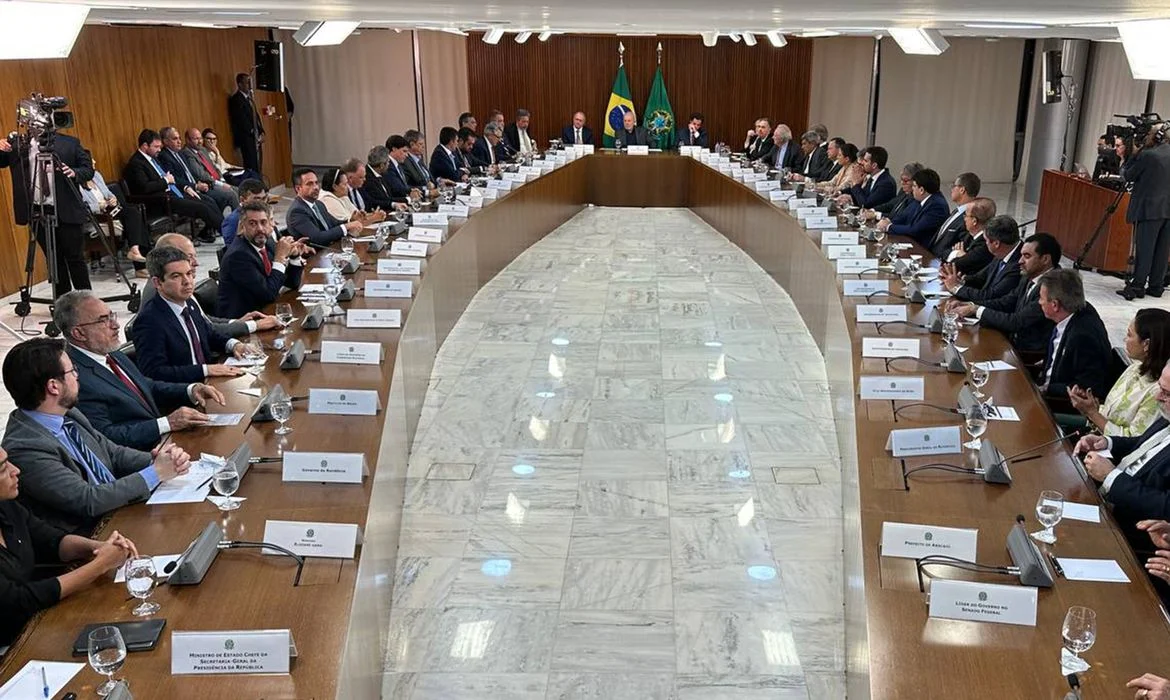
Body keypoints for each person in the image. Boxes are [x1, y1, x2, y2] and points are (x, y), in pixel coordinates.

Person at [1, 337, 191, 533]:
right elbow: (87, 500)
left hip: (121, 510)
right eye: (72, 370)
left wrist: (161, 460)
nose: (77, 375)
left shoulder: (69, 414)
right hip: (94, 535)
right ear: (53, 386)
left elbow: (113, 453)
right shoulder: (25, 448)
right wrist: (155, 473)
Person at [0, 442, 139, 647]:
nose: (15, 470)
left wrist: (97, 547)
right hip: (13, 645)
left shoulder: (7, 506)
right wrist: (99, 566)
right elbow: (18, 601)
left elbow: (52, 541)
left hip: (41, 622)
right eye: (3, 468)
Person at [55, 290, 225, 450]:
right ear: (78, 333)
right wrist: (167, 423)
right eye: (103, 320)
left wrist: (190, 389)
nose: (115, 325)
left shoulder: (111, 352)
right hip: (141, 456)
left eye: (112, 315)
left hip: (165, 442)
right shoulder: (74, 378)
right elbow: (105, 436)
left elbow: (145, 386)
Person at [1075, 361, 1170, 551]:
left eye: (1167, 393)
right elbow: (1142, 446)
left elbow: (1166, 506)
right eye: (1160, 387)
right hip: (1101, 502)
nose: (1158, 397)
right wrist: (1107, 442)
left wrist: (1110, 477)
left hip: (1127, 536)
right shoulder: (1166, 413)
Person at [132, 246, 256, 383]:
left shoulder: (189, 303)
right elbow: (154, 373)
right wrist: (206, 370)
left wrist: (234, 345)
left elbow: (209, 334)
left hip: (210, 383)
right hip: (185, 394)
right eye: (176, 276)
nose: (187, 281)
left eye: (189, 273)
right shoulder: (149, 321)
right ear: (157, 282)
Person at [0, 130, 93, 297]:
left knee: (75, 258)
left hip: (66, 209)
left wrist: (74, 172)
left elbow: (87, 169)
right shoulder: (18, 144)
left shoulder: (70, 143)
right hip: (38, 212)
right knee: (54, 261)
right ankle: (62, 303)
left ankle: (86, 302)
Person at [143, 232, 279, 339]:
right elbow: (203, 330)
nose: (195, 263)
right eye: (189, 257)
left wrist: (235, 322)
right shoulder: (163, 293)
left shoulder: (179, 286)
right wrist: (253, 325)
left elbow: (204, 320)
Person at [948, 232, 1060, 357]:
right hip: (1010, 342)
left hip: (1028, 354)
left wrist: (976, 309)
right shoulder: (1029, 277)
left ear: (1045, 259)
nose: (1020, 261)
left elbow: (1017, 322)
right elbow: (1005, 302)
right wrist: (970, 305)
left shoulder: (1053, 287)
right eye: (1021, 255)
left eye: (1027, 256)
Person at [1068, 309, 1170, 436]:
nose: (1124, 339)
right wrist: (1090, 406)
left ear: (1146, 344)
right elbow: (1109, 413)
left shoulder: (1159, 392)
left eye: (1129, 335)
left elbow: (1132, 440)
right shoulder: (1135, 368)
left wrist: (1092, 413)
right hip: (1093, 436)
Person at [123, 129, 222, 242]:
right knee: (202, 207)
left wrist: (185, 187)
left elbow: (171, 178)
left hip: (173, 193)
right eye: (156, 147)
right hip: (160, 200)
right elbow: (145, 187)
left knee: (207, 201)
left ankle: (226, 229)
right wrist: (165, 181)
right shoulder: (136, 163)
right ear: (145, 146)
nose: (159, 150)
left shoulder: (153, 158)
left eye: (159, 146)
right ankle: (228, 233)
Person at [217, 201, 309, 320]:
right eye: (252, 223)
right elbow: (269, 294)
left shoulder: (268, 242)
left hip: (266, 311)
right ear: (242, 226)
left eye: (263, 222)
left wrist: (294, 256)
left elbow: (292, 283)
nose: (260, 229)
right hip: (244, 322)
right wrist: (280, 258)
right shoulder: (238, 255)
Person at [1036, 267, 1111, 400]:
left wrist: (1046, 389)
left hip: (1055, 401)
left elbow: (1087, 387)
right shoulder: (1079, 309)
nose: (1039, 302)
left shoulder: (1083, 336)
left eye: (1041, 298)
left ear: (1055, 305)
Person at [1118, 122, 1170, 300]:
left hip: (1150, 209)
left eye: (1149, 134)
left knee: (1145, 248)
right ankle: (1156, 286)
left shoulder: (1148, 155)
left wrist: (1128, 158)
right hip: (1167, 210)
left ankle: (1138, 285)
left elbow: (1128, 175)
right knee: (1162, 250)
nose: (1146, 137)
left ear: (1156, 136)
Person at [76, 160, 150, 273]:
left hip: (111, 212)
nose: (95, 162)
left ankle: (136, 252)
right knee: (134, 219)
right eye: (91, 161)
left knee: (134, 213)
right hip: (97, 218)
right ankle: (140, 265)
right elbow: (79, 208)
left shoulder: (96, 175)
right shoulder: (76, 184)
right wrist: (98, 206)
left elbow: (108, 193)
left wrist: (113, 199)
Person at [941, 214, 1023, 302]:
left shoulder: (1019, 263)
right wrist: (961, 281)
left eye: (986, 241)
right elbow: (980, 278)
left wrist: (956, 288)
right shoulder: (1002, 252)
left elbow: (991, 295)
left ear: (996, 244)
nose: (985, 244)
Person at [157, 126, 237, 214]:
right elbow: (175, 178)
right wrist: (195, 185)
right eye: (175, 139)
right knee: (225, 197)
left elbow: (213, 168)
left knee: (238, 190)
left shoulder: (179, 153)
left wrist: (220, 180)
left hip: (200, 184)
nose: (179, 141)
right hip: (188, 190)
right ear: (165, 141)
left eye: (179, 138)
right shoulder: (166, 156)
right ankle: (232, 223)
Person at [286, 167, 363, 246]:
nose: (316, 187)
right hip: (314, 256)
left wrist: (351, 221)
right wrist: (346, 226)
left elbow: (335, 224)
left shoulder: (319, 204)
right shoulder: (297, 211)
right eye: (310, 184)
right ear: (298, 188)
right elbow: (318, 238)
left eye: (316, 182)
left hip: (330, 251)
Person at [875, 168, 949, 247]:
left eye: (914, 186)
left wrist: (888, 227)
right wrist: (888, 221)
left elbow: (915, 230)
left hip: (923, 250)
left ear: (921, 190)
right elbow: (904, 216)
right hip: (912, 242)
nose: (912, 189)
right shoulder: (922, 199)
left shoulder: (937, 206)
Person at [927, 171, 981, 259]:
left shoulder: (969, 217)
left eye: (954, 186)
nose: (951, 189)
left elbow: (959, 247)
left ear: (962, 190)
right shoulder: (957, 211)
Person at [181, 128, 241, 204]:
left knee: (239, 190)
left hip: (217, 180)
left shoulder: (202, 150)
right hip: (207, 185)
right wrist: (220, 184)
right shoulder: (187, 153)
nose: (200, 141)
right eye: (196, 139)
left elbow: (214, 167)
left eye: (200, 138)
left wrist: (222, 180)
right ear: (188, 140)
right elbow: (200, 175)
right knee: (231, 194)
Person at [945, 197, 996, 275]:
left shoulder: (984, 244)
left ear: (974, 221)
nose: (964, 218)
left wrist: (955, 254)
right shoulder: (969, 235)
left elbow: (952, 266)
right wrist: (961, 255)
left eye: (966, 215)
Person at [228, 72, 264, 174]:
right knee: (250, 162)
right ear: (240, 84)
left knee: (258, 162)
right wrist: (253, 132)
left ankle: (259, 181)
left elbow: (255, 116)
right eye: (247, 83)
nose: (249, 86)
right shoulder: (236, 99)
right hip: (246, 137)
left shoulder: (249, 99)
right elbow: (241, 119)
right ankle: (253, 184)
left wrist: (261, 131)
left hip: (255, 136)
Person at [841, 147, 897, 211]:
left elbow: (865, 204)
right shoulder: (872, 177)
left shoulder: (886, 183)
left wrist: (855, 185)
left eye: (865, 161)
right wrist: (847, 197)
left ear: (874, 165)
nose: (862, 163)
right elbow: (862, 196)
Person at [221, 178, 268, 246]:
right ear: (242, 200)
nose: (262, 203)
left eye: (263, 199)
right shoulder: (232, 220)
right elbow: (232, 250)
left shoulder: (265, 213)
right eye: (256, 199)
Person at [362, 145, 409, 211]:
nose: (389, 164)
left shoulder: (382, 174)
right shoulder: (367, 177)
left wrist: (407, 199)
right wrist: (406, 200)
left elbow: (390, 196)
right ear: (381, 165)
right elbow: (378, 201)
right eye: (388, 162)